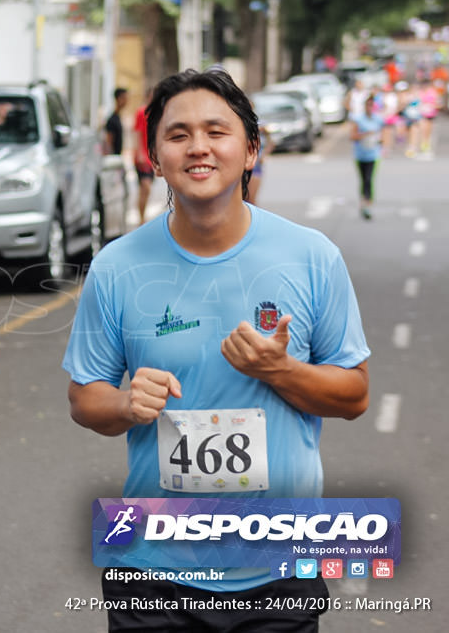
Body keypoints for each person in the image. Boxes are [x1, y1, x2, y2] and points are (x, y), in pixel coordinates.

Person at [62, 68, 370, 632]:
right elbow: (85, 399)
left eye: (216, 132)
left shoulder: (311, 256)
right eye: (178, 135)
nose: (198, 147)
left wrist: (280, 370)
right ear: (154, 156)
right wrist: (127, 404)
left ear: (251, 150)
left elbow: (353, 395)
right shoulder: (116, 266)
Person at [350, 92, 384, 219]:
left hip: (373, 155)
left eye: (371, 105)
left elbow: (382, 135)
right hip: (360, 154)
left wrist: (379, 141)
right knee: (363, 179)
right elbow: (352, 136)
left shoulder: (378, 119)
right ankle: (363, 201)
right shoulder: (358, 119)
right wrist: (365, 135)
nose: (369, 107)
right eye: (367, 105)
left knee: (369, 179)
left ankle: (368, 203)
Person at [131, 90, 155, 224]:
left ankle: (142, 214)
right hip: (142, 157)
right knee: (145, 186)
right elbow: (137, 132)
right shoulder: (141, 112)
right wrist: (139, 153)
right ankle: (141, 218)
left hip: (151, 157)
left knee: (146, 189)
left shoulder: (157, 114)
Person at [103, 87, 128, 156]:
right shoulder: (112, 120)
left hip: (118, 156)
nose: (126, 101)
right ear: (118, 99)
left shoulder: (119, 117)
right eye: (124, 98)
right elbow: (108, 143)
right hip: (113, 158)